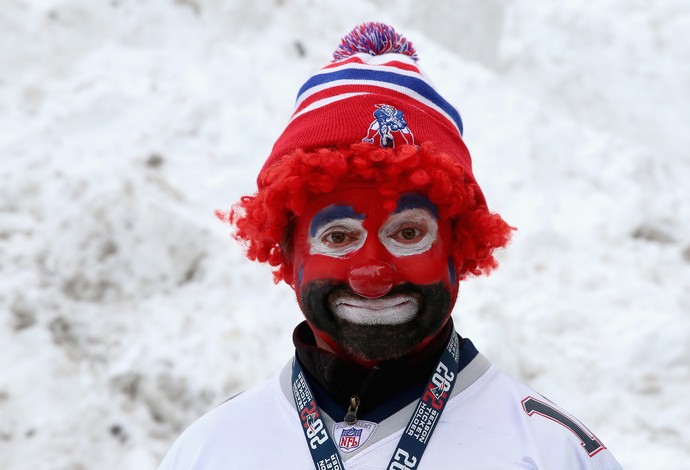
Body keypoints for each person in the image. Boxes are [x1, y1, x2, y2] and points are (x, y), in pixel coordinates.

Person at [159, 22, 622, 469]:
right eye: (338, 237)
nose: (372, 274)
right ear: (288, 251)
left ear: (458, 248)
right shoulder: (209, 450)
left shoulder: (551, 452)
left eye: (407, 234)